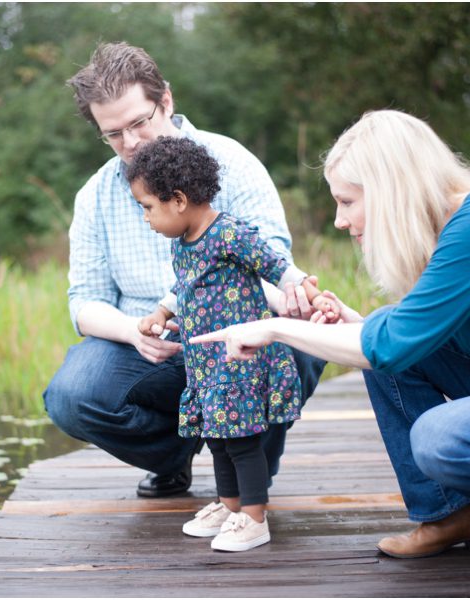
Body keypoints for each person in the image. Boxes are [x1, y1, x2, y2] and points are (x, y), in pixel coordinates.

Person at [191, 110, 470, 575]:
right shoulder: (463, 224)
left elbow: (391, 343)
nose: (339, 219)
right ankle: (456, 513)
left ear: (391, 188)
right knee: (383, 347)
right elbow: (405, 337)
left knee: (441, 439)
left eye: (348, 201)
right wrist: (352, 326)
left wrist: (272, 327)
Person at [43, 42, 326, 498]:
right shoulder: (94, 196)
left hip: (235, 335)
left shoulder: (233, 163)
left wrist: (294, 305)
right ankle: (177, 455)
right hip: (152, 350)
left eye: (139, 122)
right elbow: (85, 303)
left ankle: (250, 480)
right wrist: (135, 331)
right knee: (71, 395)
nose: (130, 143)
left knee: (301, 339)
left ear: (166, 101)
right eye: (113, 133)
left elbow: (273, 263)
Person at [128, 136, 329, 551]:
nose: (146, 217)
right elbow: (183, 287)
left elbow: (277, 266)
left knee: (240, 440)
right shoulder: (181, 243)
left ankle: (254, 518)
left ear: (178, 200)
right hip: (206, 363)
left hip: (240, 360)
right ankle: (230, 504)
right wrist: (162, 313)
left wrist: (310, 294)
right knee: (218, 439)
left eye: (148, 206)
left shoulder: (229, 234)